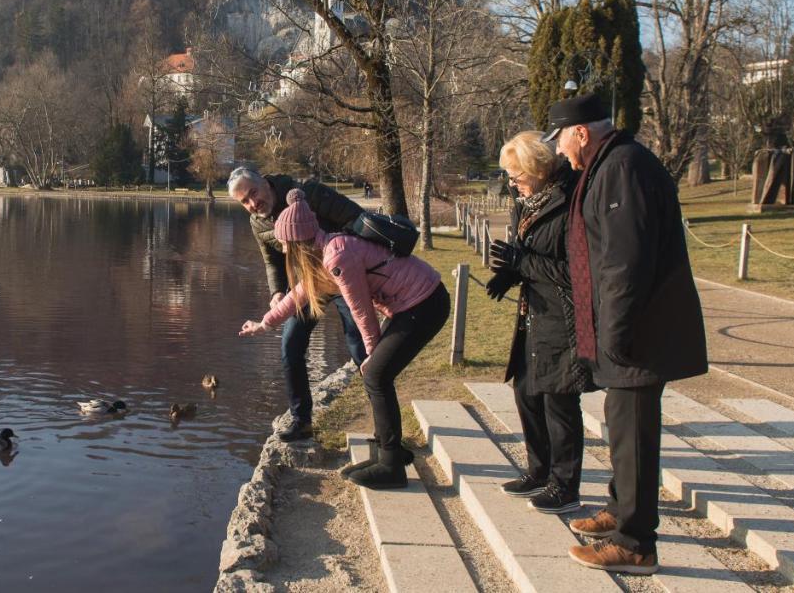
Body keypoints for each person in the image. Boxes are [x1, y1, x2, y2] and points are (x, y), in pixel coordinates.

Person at [545, 93, 708, 576]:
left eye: (561, 141)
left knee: (634, 431)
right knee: (622, 424)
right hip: (627, 328)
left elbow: (624, 261)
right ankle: (620, 509)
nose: (558, 152)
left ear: (582, 133)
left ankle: (636, 543)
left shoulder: (621, 167)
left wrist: (611, 330)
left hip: (639, 330)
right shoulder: (609, 163)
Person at [239, 188, 449, 489]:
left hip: (425, 303)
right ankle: (386, 452)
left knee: (375, 373)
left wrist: (373, 352)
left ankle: (391, 465)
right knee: (376, 373)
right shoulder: (326, 252)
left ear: (299, 242)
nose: (284, 251)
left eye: (286, 245)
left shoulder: (337, 256)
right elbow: (299, 294)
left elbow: (361, 311)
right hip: (413, 305)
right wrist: (264, 323)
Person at [485, 131, 592, 515]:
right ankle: (539, 470)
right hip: (533, 312)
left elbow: (575, 271)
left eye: (516, 175)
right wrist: (508, 274)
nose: (511, 183)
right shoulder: (526, 202)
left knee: (558, 399)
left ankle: (566, 486)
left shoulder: (570, 203)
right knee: (526, 391)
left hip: (562, 316)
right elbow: (526, 254)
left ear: (539, 170)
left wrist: (522, 263)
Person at [228, 167, 367, 441]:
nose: (253, 203)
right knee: (290, 347)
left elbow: (357, 220)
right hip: (307, 285)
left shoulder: (310, 193)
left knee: (358, 345)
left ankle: (381, 411)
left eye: (253, 193)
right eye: (244, 201)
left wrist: (345, 258)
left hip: (343, 274)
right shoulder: (258, 222)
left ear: (265, 182)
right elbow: (272, 261)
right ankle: (301, 420)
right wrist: (277, 292)